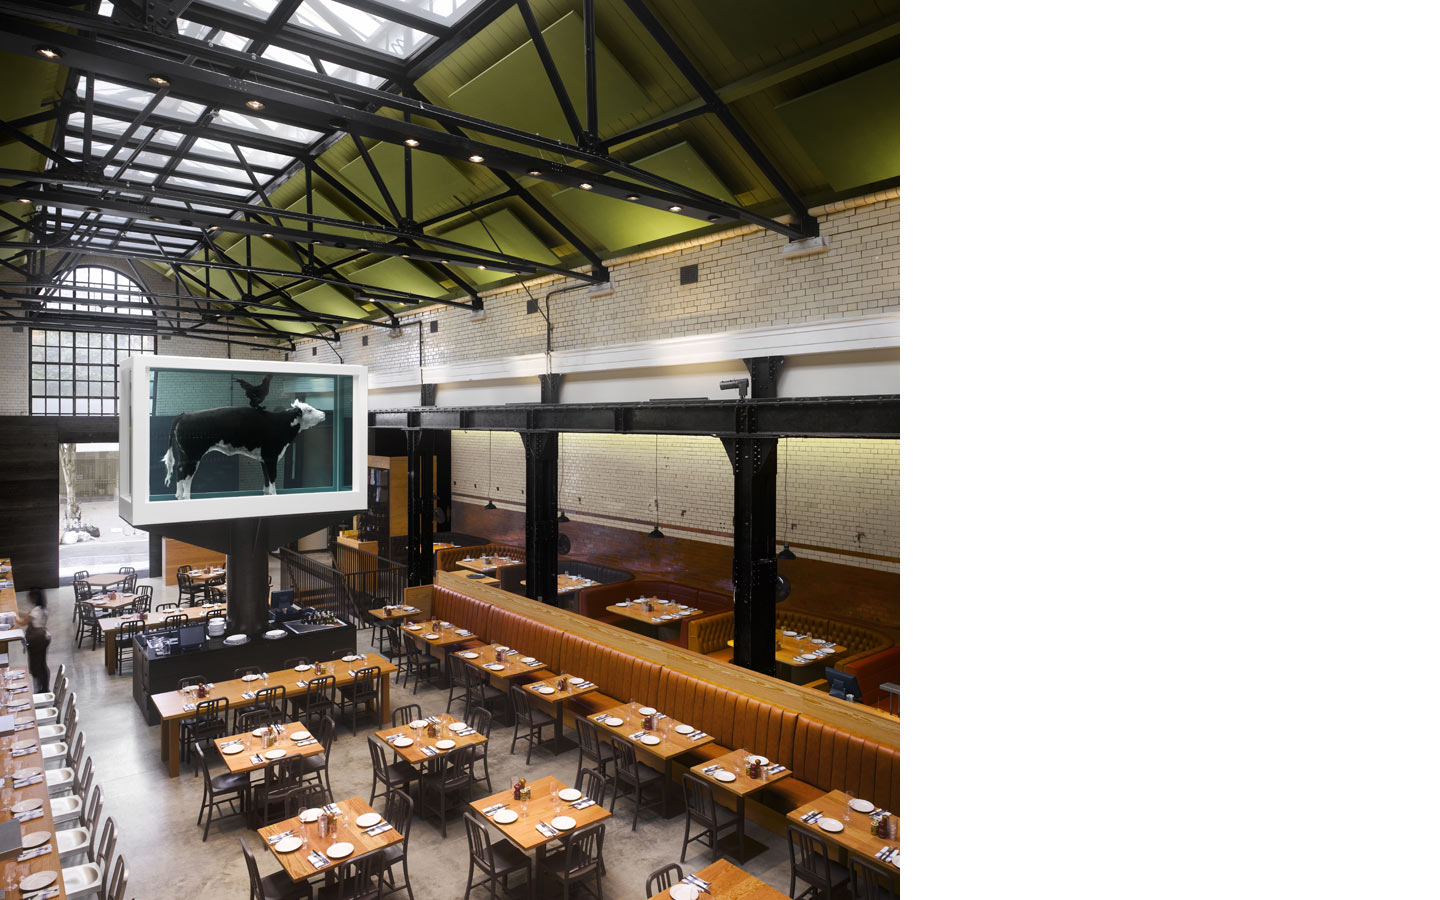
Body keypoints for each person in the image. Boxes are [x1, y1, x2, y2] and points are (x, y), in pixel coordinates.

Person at [18, 588, 50, 694]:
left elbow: (22, 622)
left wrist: (13, 617)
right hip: (45, 637)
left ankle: (40, 689)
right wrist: (15, 612)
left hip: (37, 640)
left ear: (34, 598)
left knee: (35, 665)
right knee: (42, 664)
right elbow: (28, 615)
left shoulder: (36, 611)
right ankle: (44, 688)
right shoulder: (42, 608)